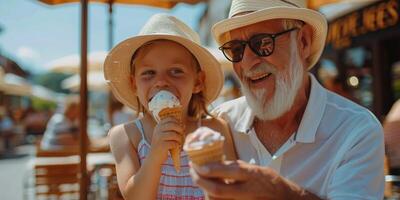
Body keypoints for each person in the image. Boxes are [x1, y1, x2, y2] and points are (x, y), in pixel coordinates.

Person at [189, 0, 385, 199]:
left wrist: (278, 191)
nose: (247, 63)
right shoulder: (221, 123)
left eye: (263, 43)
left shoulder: (356, 130)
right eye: (237, 49)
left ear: (303, 42)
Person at [104, 13, 236, 200]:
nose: (161, 82)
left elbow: (232, 191)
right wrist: (156, 154)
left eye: (176, 71)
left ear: (198, 81)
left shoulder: (214, 130)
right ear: (134, 84)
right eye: (149, 73)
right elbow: (135, 197)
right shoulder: (126, 135)